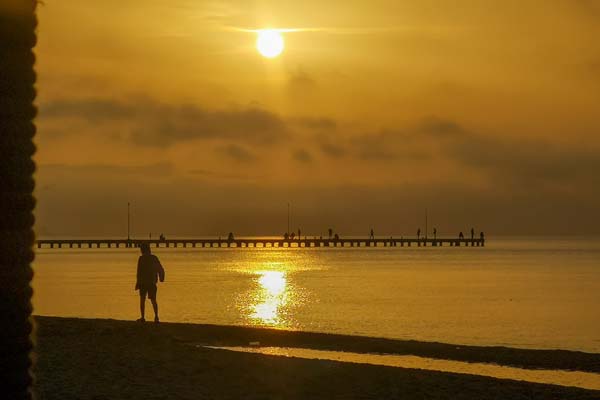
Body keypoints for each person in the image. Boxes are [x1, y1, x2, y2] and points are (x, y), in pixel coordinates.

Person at [135, 243, 165, 323]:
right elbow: (160, 269)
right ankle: (156, 317)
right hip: (152, 282)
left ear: (142, 250)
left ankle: (143, 317)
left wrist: (137, 283)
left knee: (142, 299)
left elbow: (139, 272)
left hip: (143, 282)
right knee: (153, 300)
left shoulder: (141, 258)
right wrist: (161, 277)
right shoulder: (154, 258)